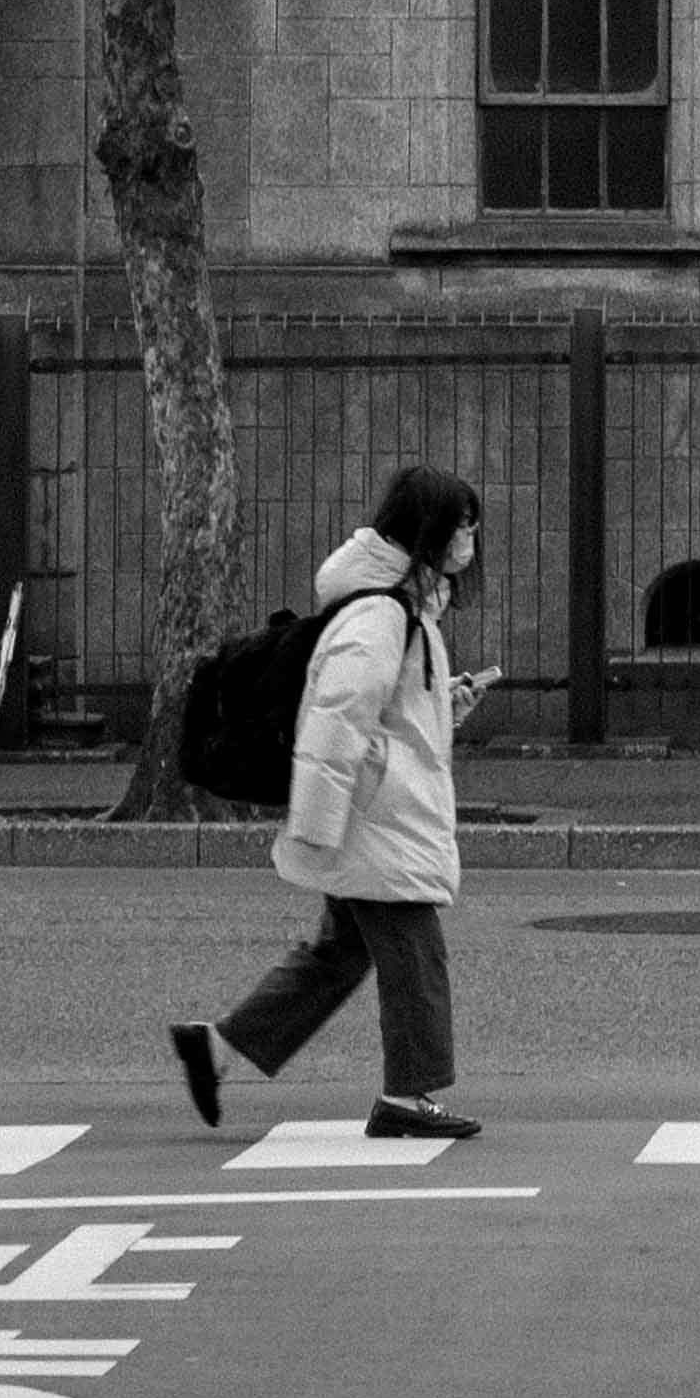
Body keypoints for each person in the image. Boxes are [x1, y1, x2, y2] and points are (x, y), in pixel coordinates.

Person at [168, 465, 489, 1143]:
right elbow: (335, 720)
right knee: (415, 955)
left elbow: (389, 717)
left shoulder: (406, 610)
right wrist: (317, 825)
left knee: (340, 952)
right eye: (462, 525)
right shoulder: (381, 615)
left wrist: (446, 703)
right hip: (375, 819)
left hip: (372, 812)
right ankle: (407, 1095)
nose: (471, 538)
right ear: (428, 531)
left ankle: (217, 1047)